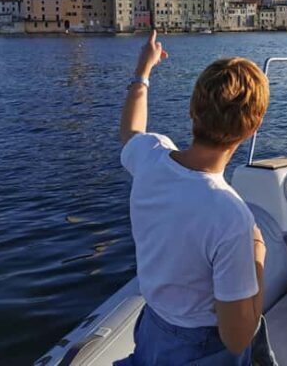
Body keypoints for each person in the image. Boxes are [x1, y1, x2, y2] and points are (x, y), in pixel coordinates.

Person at [117, 31, 272, 365]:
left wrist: (143, 72)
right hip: (203, 348)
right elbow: (237, 337)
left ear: (192, 110)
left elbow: (130, 131)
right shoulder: (230, 215)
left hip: (153, 328)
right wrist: (258, 256)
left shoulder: (151, 157)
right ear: (253, 128)